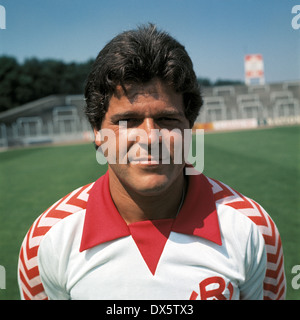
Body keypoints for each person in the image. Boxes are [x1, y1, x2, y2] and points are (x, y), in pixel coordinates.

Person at [18, 24, 285, 300]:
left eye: (167, 119)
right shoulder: (47, 241)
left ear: (189, 127)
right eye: (128, 121)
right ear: (97, 131)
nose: (150, 137)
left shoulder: (254, 230)